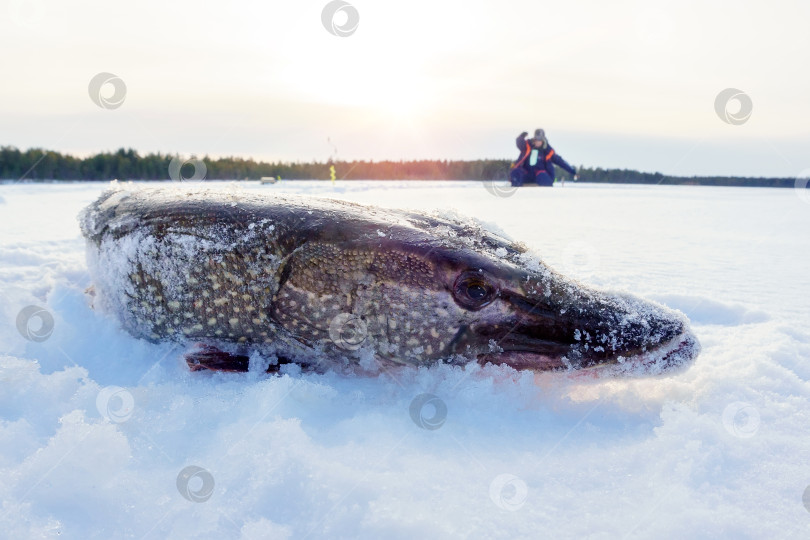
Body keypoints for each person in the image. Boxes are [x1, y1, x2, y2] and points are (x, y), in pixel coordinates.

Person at [510, 128, 578, 187]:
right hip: (527, 173)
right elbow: (520, 143)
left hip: (540, 175)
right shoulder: (528, 146)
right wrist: (521, 137)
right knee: (516, 172)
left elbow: (561, 162)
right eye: (536, 140)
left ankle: (544, 191)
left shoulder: (548, 151)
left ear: (543, 140)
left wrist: (573, 171)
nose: (538, 142)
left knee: (542, 175)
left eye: (540, 140)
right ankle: (517, 189)